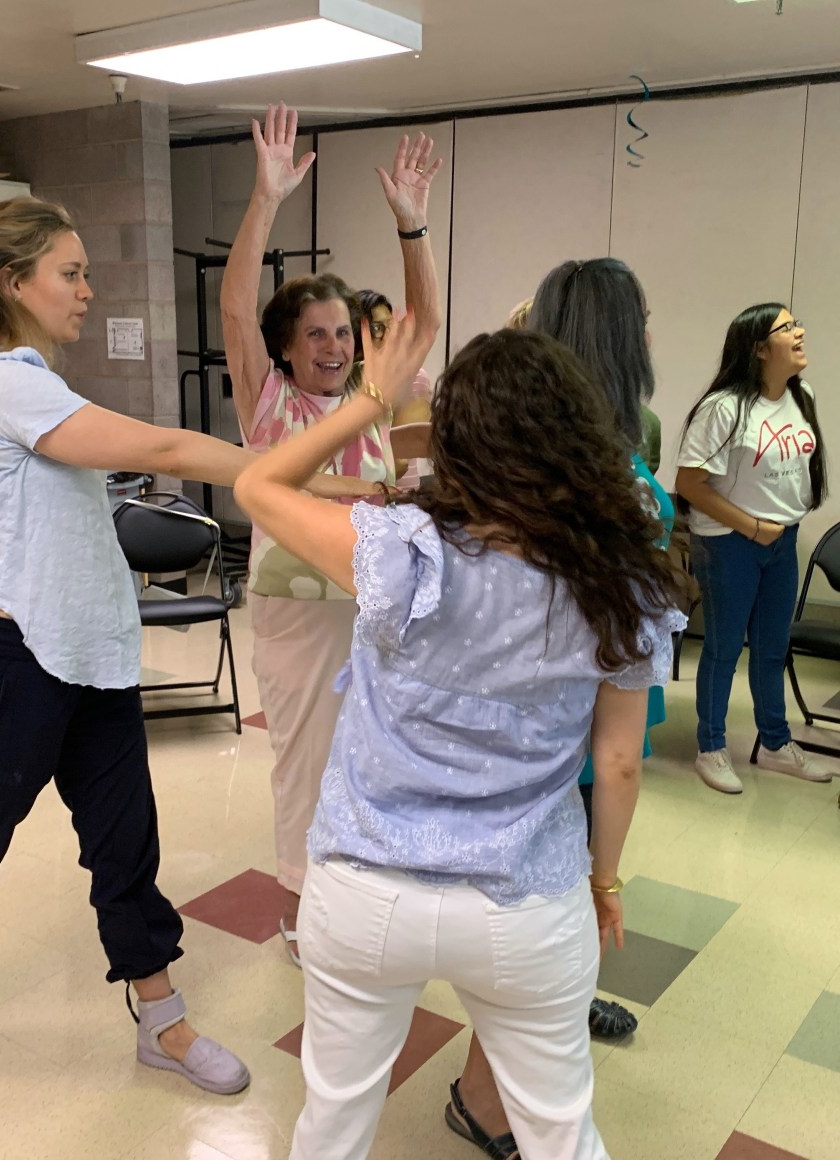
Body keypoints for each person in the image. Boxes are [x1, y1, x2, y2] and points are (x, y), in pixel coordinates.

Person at [0, 195, 358, 1095]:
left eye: (86, 270)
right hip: (5, 666)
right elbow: (160, 441)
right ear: (15, 282)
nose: (88, 289)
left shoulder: (33, 378)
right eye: (71, 273)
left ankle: (160, 1022)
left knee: (126, 850)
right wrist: (280, 466)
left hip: (92, 660)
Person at [234, 314, 684, 1160]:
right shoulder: (618, 577)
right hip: (524, 901)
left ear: (458, 440)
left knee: (331, 1123)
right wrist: (605, 881)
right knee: (561, 1132)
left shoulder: (399, 549)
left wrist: (368, 400)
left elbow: (259, 487)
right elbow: (618, 763)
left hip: (365, 890)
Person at [446, 261, 674, 1157]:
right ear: (620, 344)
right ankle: (484, 1098)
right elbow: (615, 747)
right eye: (644, 321)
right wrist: (608, 878)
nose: (653, 337)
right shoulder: (620, 488)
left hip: (524, 738)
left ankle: (505, 1063)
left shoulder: (512, 473)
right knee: (537, 930)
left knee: (532, 936)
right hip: (570, 745)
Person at [220, 103, 441, 962]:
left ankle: (356, 886)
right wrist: (266, 200)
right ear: (283, 349)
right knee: (306, 760)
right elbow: (237, 308)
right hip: (296, 611)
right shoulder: (269, 401)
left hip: (371, 603)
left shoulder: (370, 399)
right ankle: (297, 910)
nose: (334, 345)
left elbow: (421, 318)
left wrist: (412, 224)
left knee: (373, 755)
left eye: (343, 332)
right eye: (314, 334)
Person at [676, 304, 831, 793]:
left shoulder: (802, 395)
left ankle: (775, 743)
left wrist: (779, 525)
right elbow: (689, 484)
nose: (800, 332)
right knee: (723, 648)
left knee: (772, 647)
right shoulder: (724, 407)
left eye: (796, 323)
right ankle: (711, 747)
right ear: (760, 349)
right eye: (787, 328)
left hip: (779, 541)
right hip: (729, 543)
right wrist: (751, 525)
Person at [355, 288, 432, 488]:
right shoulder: (347, 380)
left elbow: (399, 462)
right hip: (359, 494)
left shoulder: (413, 377)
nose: (388, 335)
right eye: (377, 327)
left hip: (398, 497)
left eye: (392, 326)